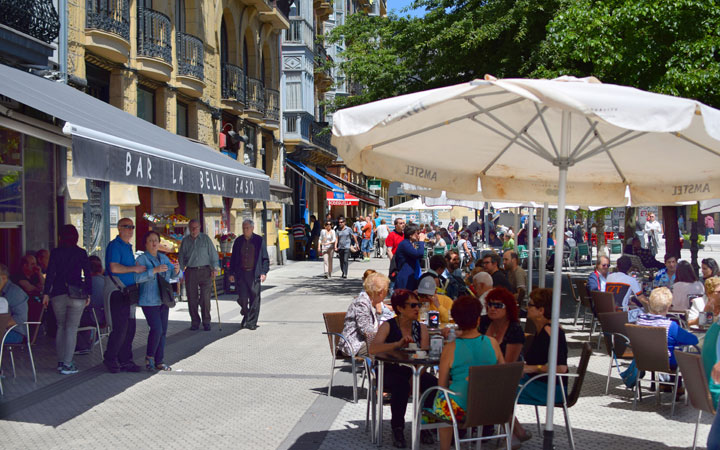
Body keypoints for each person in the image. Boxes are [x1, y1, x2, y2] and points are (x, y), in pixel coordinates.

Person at [370, 289, 437, 447]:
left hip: (414, 369)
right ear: (399, 308)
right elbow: (373, 349)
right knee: (401, 385)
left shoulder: (421, 328)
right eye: (413, 305)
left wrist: (417, 374)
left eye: (418, 305)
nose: (417, 309)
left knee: (433, 383)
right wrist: (397, 344)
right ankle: (397, 428)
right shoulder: (388, 326)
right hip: (388, 369)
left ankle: (424, 424)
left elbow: (424, 353)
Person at [435, 296, 503, 450]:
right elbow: (502, 374)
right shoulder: (492, 343)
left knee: (441, 400)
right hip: (492, 407)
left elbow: (442, 385)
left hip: (461, 409)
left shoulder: (450, 348)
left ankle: (444, 447)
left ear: (457, 322)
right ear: (478, 320)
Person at [514, 288, 568, 443]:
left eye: (530, 305)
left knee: (500, 392)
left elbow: (561, 368)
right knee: (499, 387)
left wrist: (531, 368)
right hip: (538, 383)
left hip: (551, 389)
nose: (526, 308)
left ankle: (515, 433)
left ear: (541, 310)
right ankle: (515, 432)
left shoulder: (552, 332)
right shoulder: (541, 330)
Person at [104, 218, 145, 374]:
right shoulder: (115, 246)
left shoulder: (128, 246)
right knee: (120, 328)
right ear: (119, 228)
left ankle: (125, 360)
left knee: (130, 328)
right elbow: (114, 267)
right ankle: (110, 357)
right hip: (118, 292)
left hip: (129, 292)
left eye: (132, 227)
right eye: (127, 227)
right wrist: (134, 269)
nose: (130, 229)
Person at [135, 231, 179, 371]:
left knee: (163, 330)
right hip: (149, 300)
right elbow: (137, 279)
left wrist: (177, 270)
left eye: (156, 240)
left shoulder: (164, 258)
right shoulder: (142, 259)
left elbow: (174, 273)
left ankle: (160, 361)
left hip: (163, 299)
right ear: (146, 243)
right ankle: (149, 357)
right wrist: (153, 271)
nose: (154, 243)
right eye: (151, 240)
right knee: (156, 329)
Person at [637, 287, 697, 372]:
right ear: (668, 306)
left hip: (644, 359)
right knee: (693, 354)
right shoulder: (670, 326)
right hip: (667, 361)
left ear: (649, 303)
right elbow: (693, 340)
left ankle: (662, 384)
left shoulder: (639, 321)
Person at [178, 219, 220, 331]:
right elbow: (181, 258)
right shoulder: (185, 241)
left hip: (205, 271)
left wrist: (215, 268)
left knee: (205, 298)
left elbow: (213, 255)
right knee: (192, 298)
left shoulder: (205, 239)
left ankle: (206, 321)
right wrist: (180, 273)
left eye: (196, 227)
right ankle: (195, 322)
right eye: (191, 227)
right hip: (191, 271)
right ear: (189, 228)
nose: (194, 230)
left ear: (200, 227)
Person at [229, 220, 270, 330]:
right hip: (241, 273)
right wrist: (231, 272)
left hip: (254, 273)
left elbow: (265, 258)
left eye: (247, 228)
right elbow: (233, 258)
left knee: (254, 299)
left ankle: (251, 322)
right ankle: (246, 314)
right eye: (243, 228)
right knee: (242, 298)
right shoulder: (238, 241)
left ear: (252, 228)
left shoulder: (259, 240)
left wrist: (263, 272)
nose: (245, 230)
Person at [339, 272, 390, 357]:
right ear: (381, 292)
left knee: (392, 346)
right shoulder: (362, 303)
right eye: (387, 291)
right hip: (354, 344)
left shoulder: (371, 302)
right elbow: (366, 330)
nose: (387, 294)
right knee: (388, 349)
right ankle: (378, 370)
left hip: (366, 341)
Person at [478, 287, 524, 363]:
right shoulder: (483, 321)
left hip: (503, 372)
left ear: (508, 308)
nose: (492, 308)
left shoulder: (515, 330)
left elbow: (508, 365)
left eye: (498, 305)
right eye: (490, 304)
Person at [75, 255, 106, 355]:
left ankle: (81, 345)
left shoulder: (87, 284)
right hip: (105, 318)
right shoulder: (107, 282)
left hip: (92, 317)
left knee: (68, 318)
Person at [0, 264, 28, 344]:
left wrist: (1, 326)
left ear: (4, 278)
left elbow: (20, 318)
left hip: (15, 332)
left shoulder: (15, 292)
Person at [393, 223, 426, 291]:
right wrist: (421, 242)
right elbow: (419, 254)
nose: (419, 235)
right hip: (405, 277)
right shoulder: (405, 244)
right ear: (411, 235)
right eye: (417, 233)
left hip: (411, 276)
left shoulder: (410, 244)